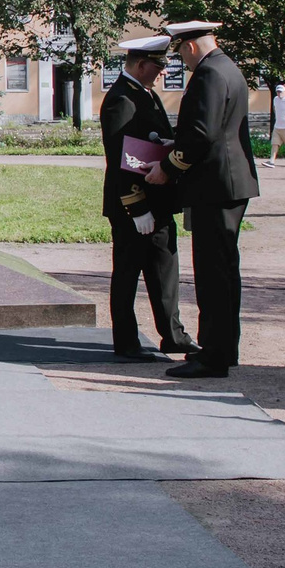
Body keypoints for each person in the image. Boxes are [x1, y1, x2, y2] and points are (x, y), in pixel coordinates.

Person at [160, 17, 262, 379]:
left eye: (181, 54)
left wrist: (168, 167)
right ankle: (225, 347)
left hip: (214, 184)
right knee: (225, 270)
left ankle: (214, 355)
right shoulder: (227, 68)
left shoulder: (208, 74)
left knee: (212, 273)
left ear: (190, 46)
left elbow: (201, 134)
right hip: (229, 183)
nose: (183, 61)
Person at [102, 34, 194, 361]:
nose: (162, 72)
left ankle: (173, 335)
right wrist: (137, 207)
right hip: (135, 205)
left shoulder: (144, 93)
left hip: (159, 200)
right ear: (141, 65)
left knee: (165, 271)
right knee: (127, 275)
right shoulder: (121, 100)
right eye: (158, 66)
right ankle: (126, 342)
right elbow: (121, 158)